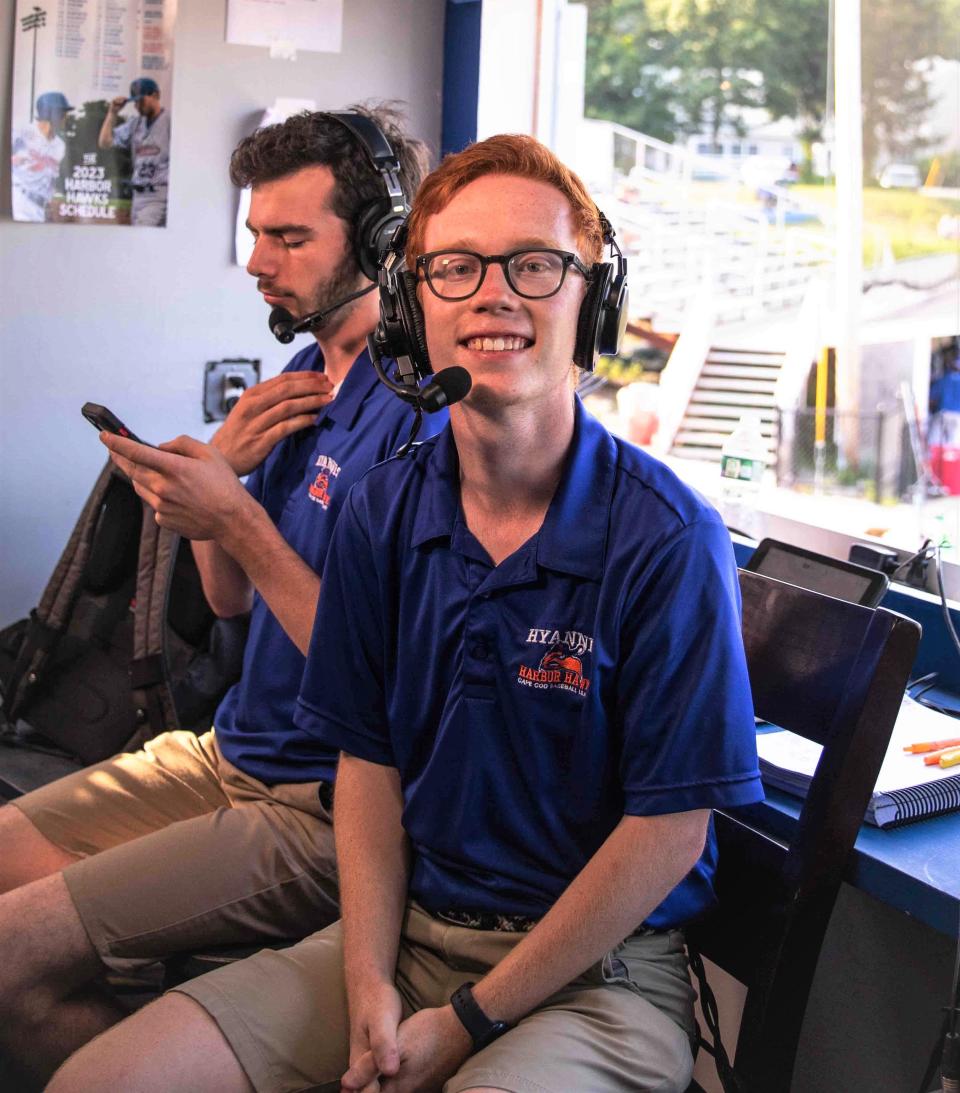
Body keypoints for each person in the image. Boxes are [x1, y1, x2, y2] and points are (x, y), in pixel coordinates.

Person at [46, 134, 763, 1093]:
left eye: (536, 266)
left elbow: (669, 832)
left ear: (592, 302)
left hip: (602, 973)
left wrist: (469, 1020)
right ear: (410, 308)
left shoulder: (668, 535)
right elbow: (368, 765)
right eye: (456, 268)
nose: (494, 294)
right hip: (403, 934)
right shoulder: (385, 509)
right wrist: (368, 980)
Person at [0, 105, 434, 1086]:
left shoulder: (419, 416)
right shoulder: (298, 378)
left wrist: (235, 513)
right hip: (229, 750)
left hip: (319, 808)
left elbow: (380, 680)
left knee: (10, 960)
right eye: (254, 233)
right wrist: (215, 488)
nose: (256, 261)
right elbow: (231, 604)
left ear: (381, 240)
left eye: (288, 237)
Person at [98, 77, 171, 226]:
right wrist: (112, 113)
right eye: (135, 102)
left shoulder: (170, 120)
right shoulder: (135, 124)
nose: (137, 105)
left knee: (142, 235)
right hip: (137, 196)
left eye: (141, 100)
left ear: (156, 95)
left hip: (159, 193)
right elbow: (104, 143)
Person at [11, 91, 72, 222]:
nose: (65, 117)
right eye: (62, 113)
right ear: (51, 113)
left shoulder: (59, 146)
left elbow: (51, 178)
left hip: (39, 207)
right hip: (20, 200)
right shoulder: (23, 131)